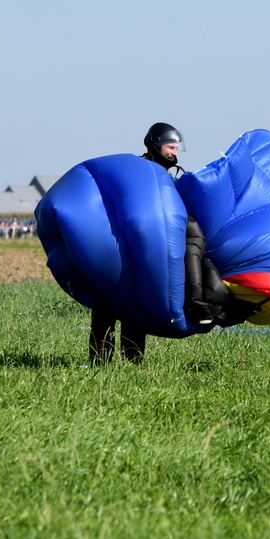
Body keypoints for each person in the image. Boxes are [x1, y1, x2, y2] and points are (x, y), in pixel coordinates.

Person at [89, 122, 187, 365]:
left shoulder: (167, 177)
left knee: (136, 307)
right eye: (170, 147)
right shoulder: (137, 169)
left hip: (145, 253)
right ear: (155, 145)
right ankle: (99, 363)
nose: (175, 152)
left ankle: (133, 363)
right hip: (119, 249)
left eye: (176, 148)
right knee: (106, 305)